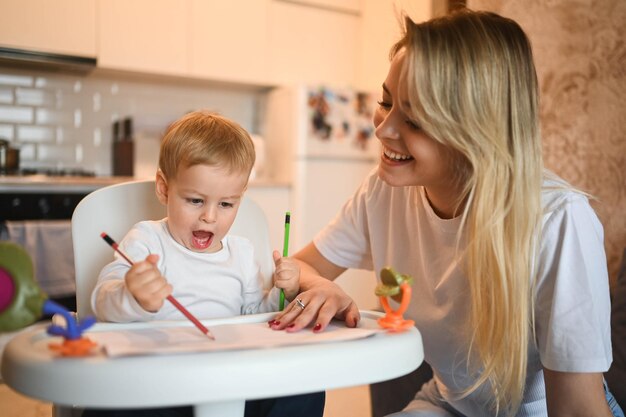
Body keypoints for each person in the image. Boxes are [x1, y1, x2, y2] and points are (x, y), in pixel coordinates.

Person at [270, 9, 624, 417]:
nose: (383, 129)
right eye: (386, 102)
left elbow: (578, 409)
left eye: (415, 119)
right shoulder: (382, 193)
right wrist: (320, 286)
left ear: (476, 129)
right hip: (452, 404)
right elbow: (298, 268)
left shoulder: (559, 221)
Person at [87, 110, 324, 417]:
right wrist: (133, 296)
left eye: (226, 204)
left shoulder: (241, 252)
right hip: (159, 383)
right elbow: (100, 303)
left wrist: (285, 293)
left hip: (230, 378)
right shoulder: (146, 240)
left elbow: (255, 317)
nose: (210, 217)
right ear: (164, 188)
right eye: (195, 200)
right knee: (112, 406)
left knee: (305, 386)